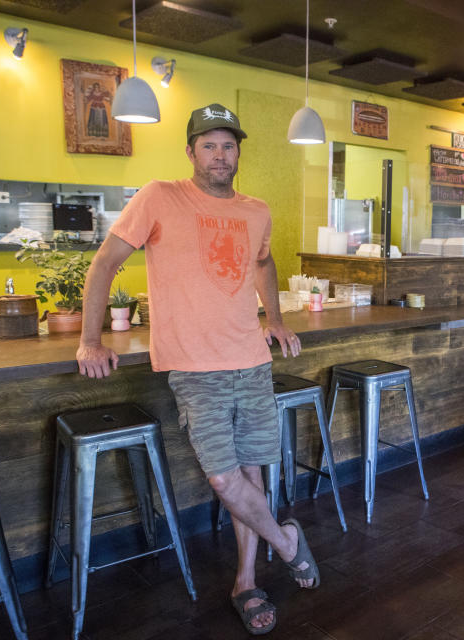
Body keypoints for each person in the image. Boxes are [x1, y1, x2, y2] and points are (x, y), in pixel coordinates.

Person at [75, 103, 317, 635]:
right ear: (190, 152)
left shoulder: (256, 209)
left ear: (238, 152)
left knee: (253, 473)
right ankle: (287, 542)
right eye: (208, 145)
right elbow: (105, 264)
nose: (219, 155)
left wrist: (273, 317)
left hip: (251, 360)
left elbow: (262, 261)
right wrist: (90, 339)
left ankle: (247, 582)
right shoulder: (160, 196)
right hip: (195, 368)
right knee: (225, 478)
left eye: (228, 145)